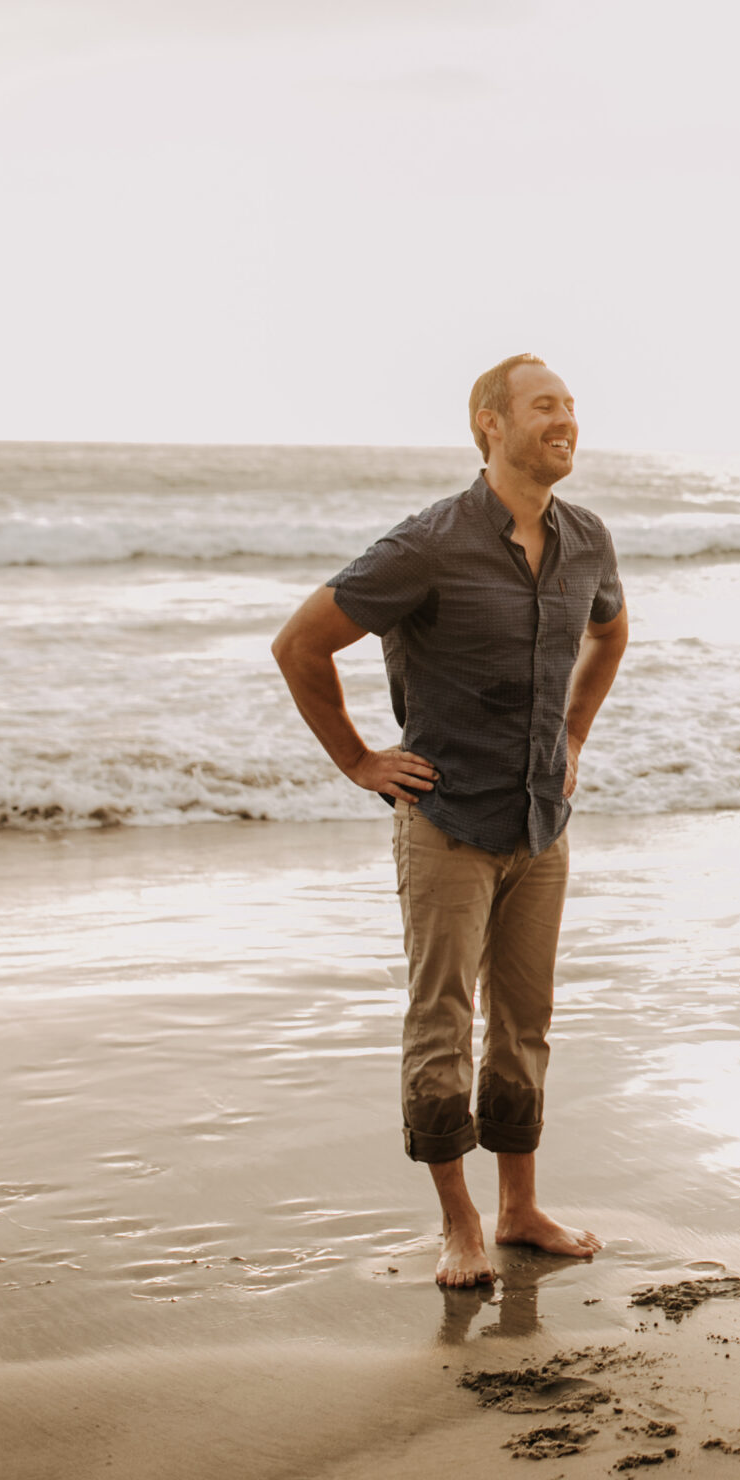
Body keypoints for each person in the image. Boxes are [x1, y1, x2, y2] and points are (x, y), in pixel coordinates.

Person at [270, 353, 630, 1288]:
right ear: (489, 424)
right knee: (444, 1018)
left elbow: (610, 627)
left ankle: (519, 1207)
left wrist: (575, 734)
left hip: (541, 823)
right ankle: (459, 1222)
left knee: (524, 1022)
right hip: (447, 823)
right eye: (544, 405)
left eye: (571, 406)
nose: (566, 419)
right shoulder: (427, 543)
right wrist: (357, 758)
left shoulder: (586, 537)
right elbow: (301, 642)